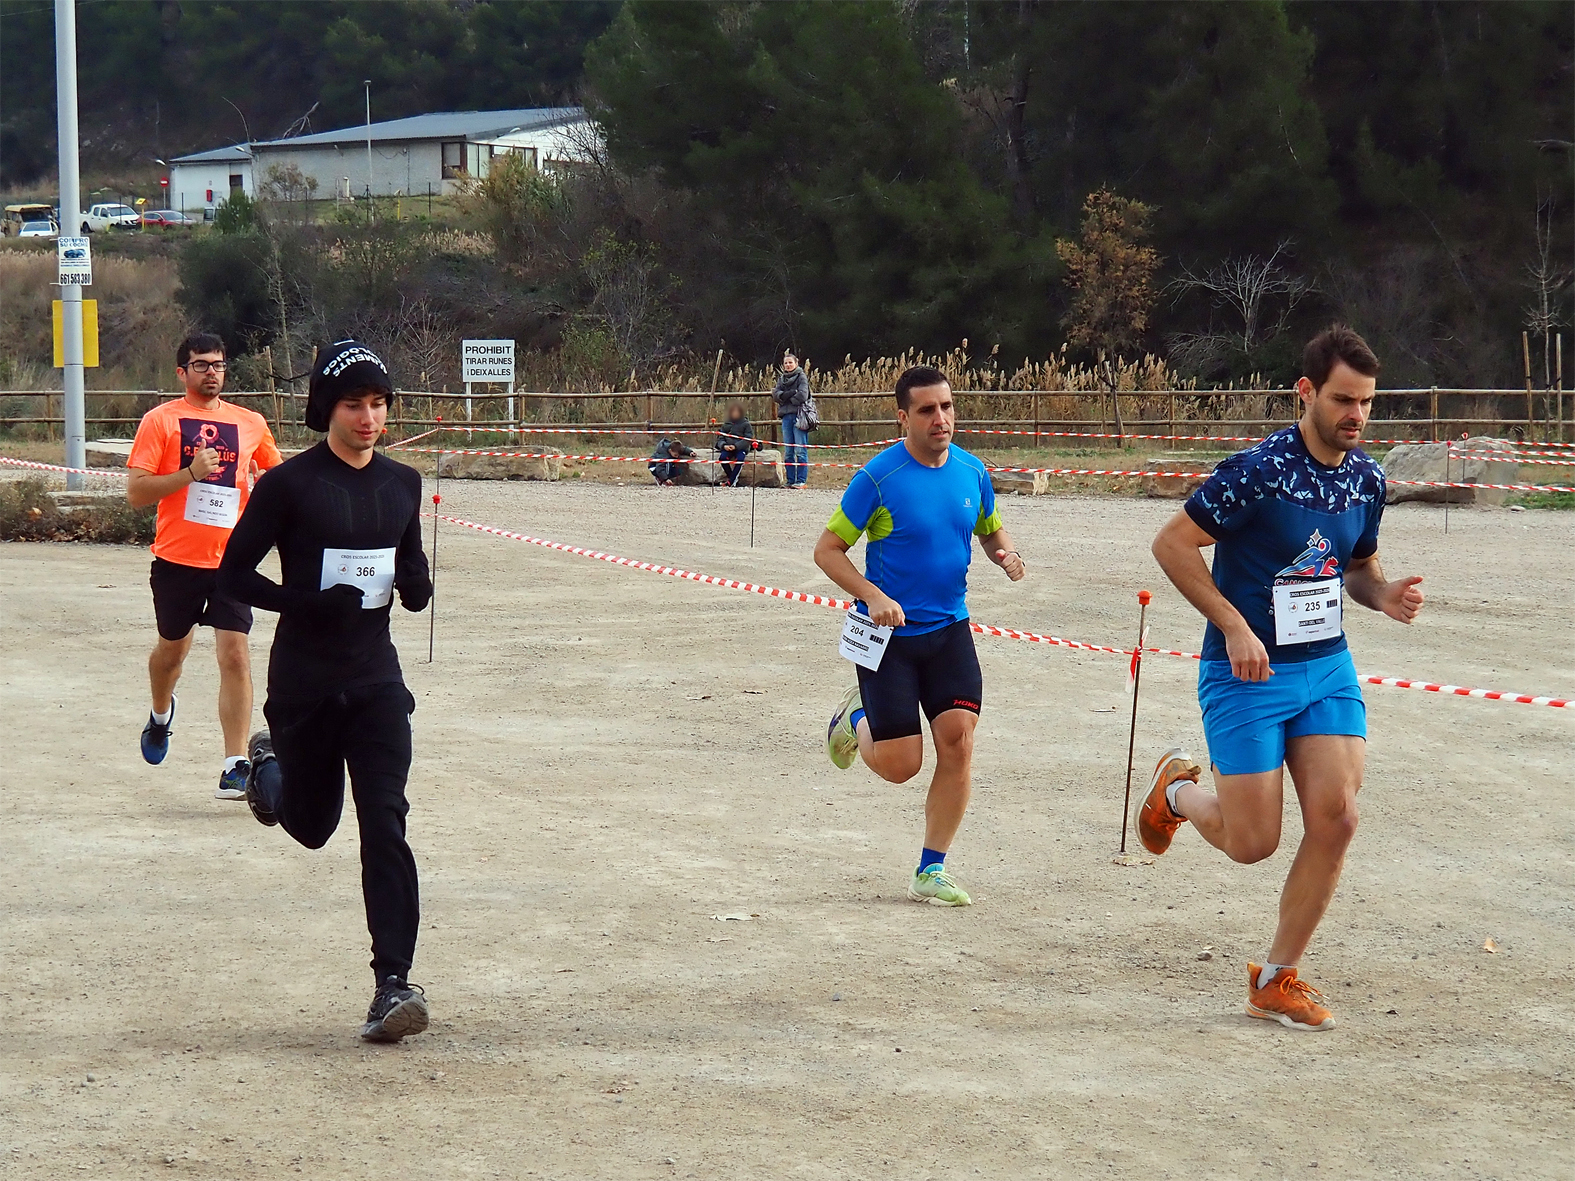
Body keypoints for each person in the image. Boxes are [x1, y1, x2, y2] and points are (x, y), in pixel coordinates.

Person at [1139, 325, 1425, 1032]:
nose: (1354, 415)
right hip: (1245, 671)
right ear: (1305, 391)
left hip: (1324, 667)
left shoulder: (1366, 476)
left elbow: (1357, 565)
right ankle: (1177, 789)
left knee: (1338, 816)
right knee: (1251, 842)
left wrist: (1383, 594)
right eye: (1341, 399)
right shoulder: (1258, 470)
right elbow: (1171, 544)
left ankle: (1275, 977)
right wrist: (1233, 623)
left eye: (1365, 402)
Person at [217, 339, 434, 1043]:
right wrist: (304, 602)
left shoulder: (403, 483)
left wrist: (418, 584)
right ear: (325, 408)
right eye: (353, 404)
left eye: (378, 404)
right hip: (306, 683)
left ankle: (393, 984)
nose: (368, 417)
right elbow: (233, 577)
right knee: (311, 827)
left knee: (386, 822)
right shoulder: (290, 486)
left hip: (375, 682)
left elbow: (408, 562)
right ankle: (268, 766)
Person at [815, 365, 1025, 906]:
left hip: (950, 629)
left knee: (958, 742)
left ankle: (931, 868)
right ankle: (855, 717)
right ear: (902, 416)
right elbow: (827, 551)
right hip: (887, 637)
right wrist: (874, 596)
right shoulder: (878, 479)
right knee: (900, 766)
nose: (942, 418)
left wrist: (1004, 553)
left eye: (948, 407)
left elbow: (987, 525)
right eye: (928, 409)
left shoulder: (972, 472)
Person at [126, 332, 284, 799]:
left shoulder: (250, 422)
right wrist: (191, 473)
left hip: (233, 560)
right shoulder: (161, 421)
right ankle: (160, 715)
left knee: (235, 654)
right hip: (177, 560)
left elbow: (277, 478)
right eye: (200, 365)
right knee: (171, 654)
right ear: (182, 372)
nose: (211, 371)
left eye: (217, 364)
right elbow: (136, 493)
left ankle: (235, 762)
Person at [772, 352, 810, 490]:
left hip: (799, 416)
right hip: (786, 417)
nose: (788, 365)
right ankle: (790, 480)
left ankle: (801, 480)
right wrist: (788, 394)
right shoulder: (781, 379)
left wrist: (787, 398)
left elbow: (803, 395)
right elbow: (776, 394)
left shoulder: (801, 377)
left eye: (790, 362)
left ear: (796, 363)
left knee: (800, 449)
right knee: (788, 450)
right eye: (786, 363)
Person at [715, 403, 756, 486]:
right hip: (728, 447)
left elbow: (748, 439)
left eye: (737, 412)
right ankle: (732, 478)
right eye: (733, 412)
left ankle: (730, 482)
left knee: (740, 459)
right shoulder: (726, 424)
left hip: (740, 448)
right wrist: (724, 446)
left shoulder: (746, 424)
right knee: (723, 458)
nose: (735, 414)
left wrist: (736, 446)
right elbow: (720, 437)